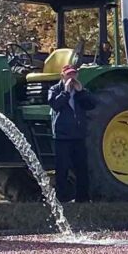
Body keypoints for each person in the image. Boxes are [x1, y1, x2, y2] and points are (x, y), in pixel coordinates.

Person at [46, 57, 95, 203]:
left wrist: (81, 92)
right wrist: (66, 92)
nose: (71, 78)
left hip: (78, 135)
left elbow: (91, 105)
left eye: (73, 75)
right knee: (62, 169)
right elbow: (55, 104)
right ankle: (61, 198)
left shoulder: (80, 91)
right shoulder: (55, 89)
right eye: (69, 75)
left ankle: (83, 198)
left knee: (82, 168)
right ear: (62, 76)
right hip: (62, 136)